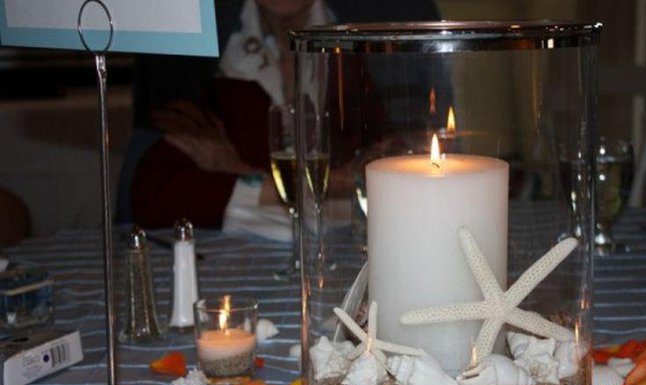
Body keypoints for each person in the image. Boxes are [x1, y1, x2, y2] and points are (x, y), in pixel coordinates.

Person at [127, 0, 441, 228]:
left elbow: (410, 178)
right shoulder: (203, 53)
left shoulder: (373, 44)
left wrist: (238, 173)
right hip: (237, 263)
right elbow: (155, 194)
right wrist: (338, 186)